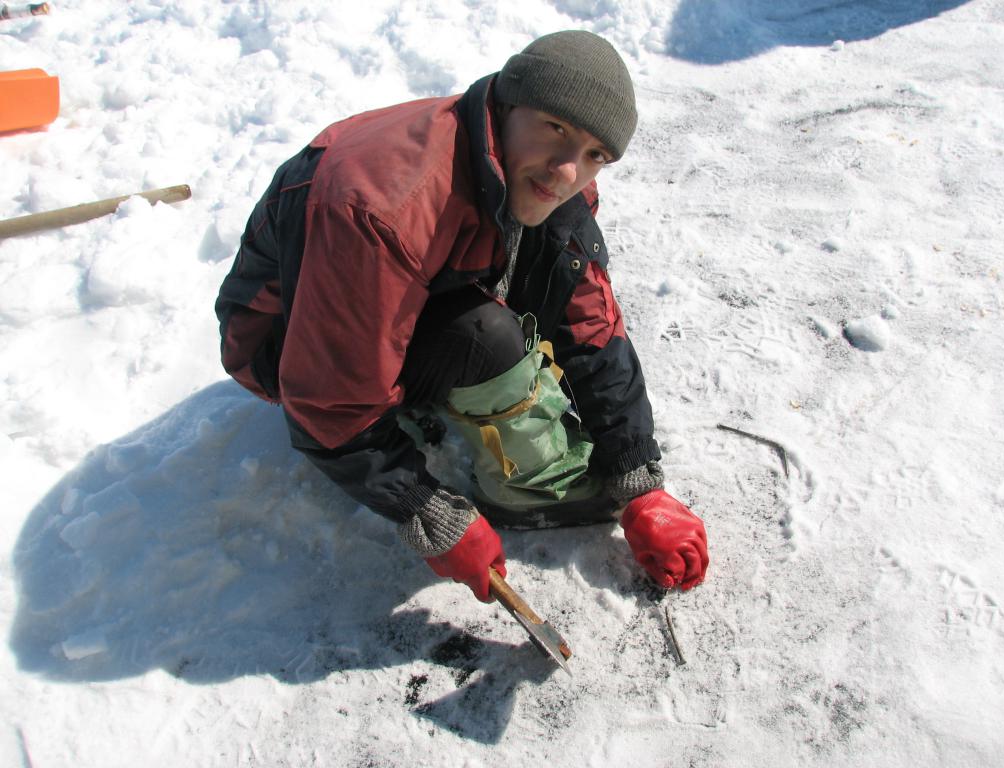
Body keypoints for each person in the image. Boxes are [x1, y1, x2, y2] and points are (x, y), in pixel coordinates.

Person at [215, 30, 709, 602]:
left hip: (384, 291)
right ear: (508, 101)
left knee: (546, 260)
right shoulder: (383, 210)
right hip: (283, 344)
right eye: (557, 129)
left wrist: (638, 477)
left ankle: (421, 383)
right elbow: (329, 408)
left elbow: (588, 321)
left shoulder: (536, 173)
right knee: (485, 335)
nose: (568, 170)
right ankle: (523, 484)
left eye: (596, 155)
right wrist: (423, 507)